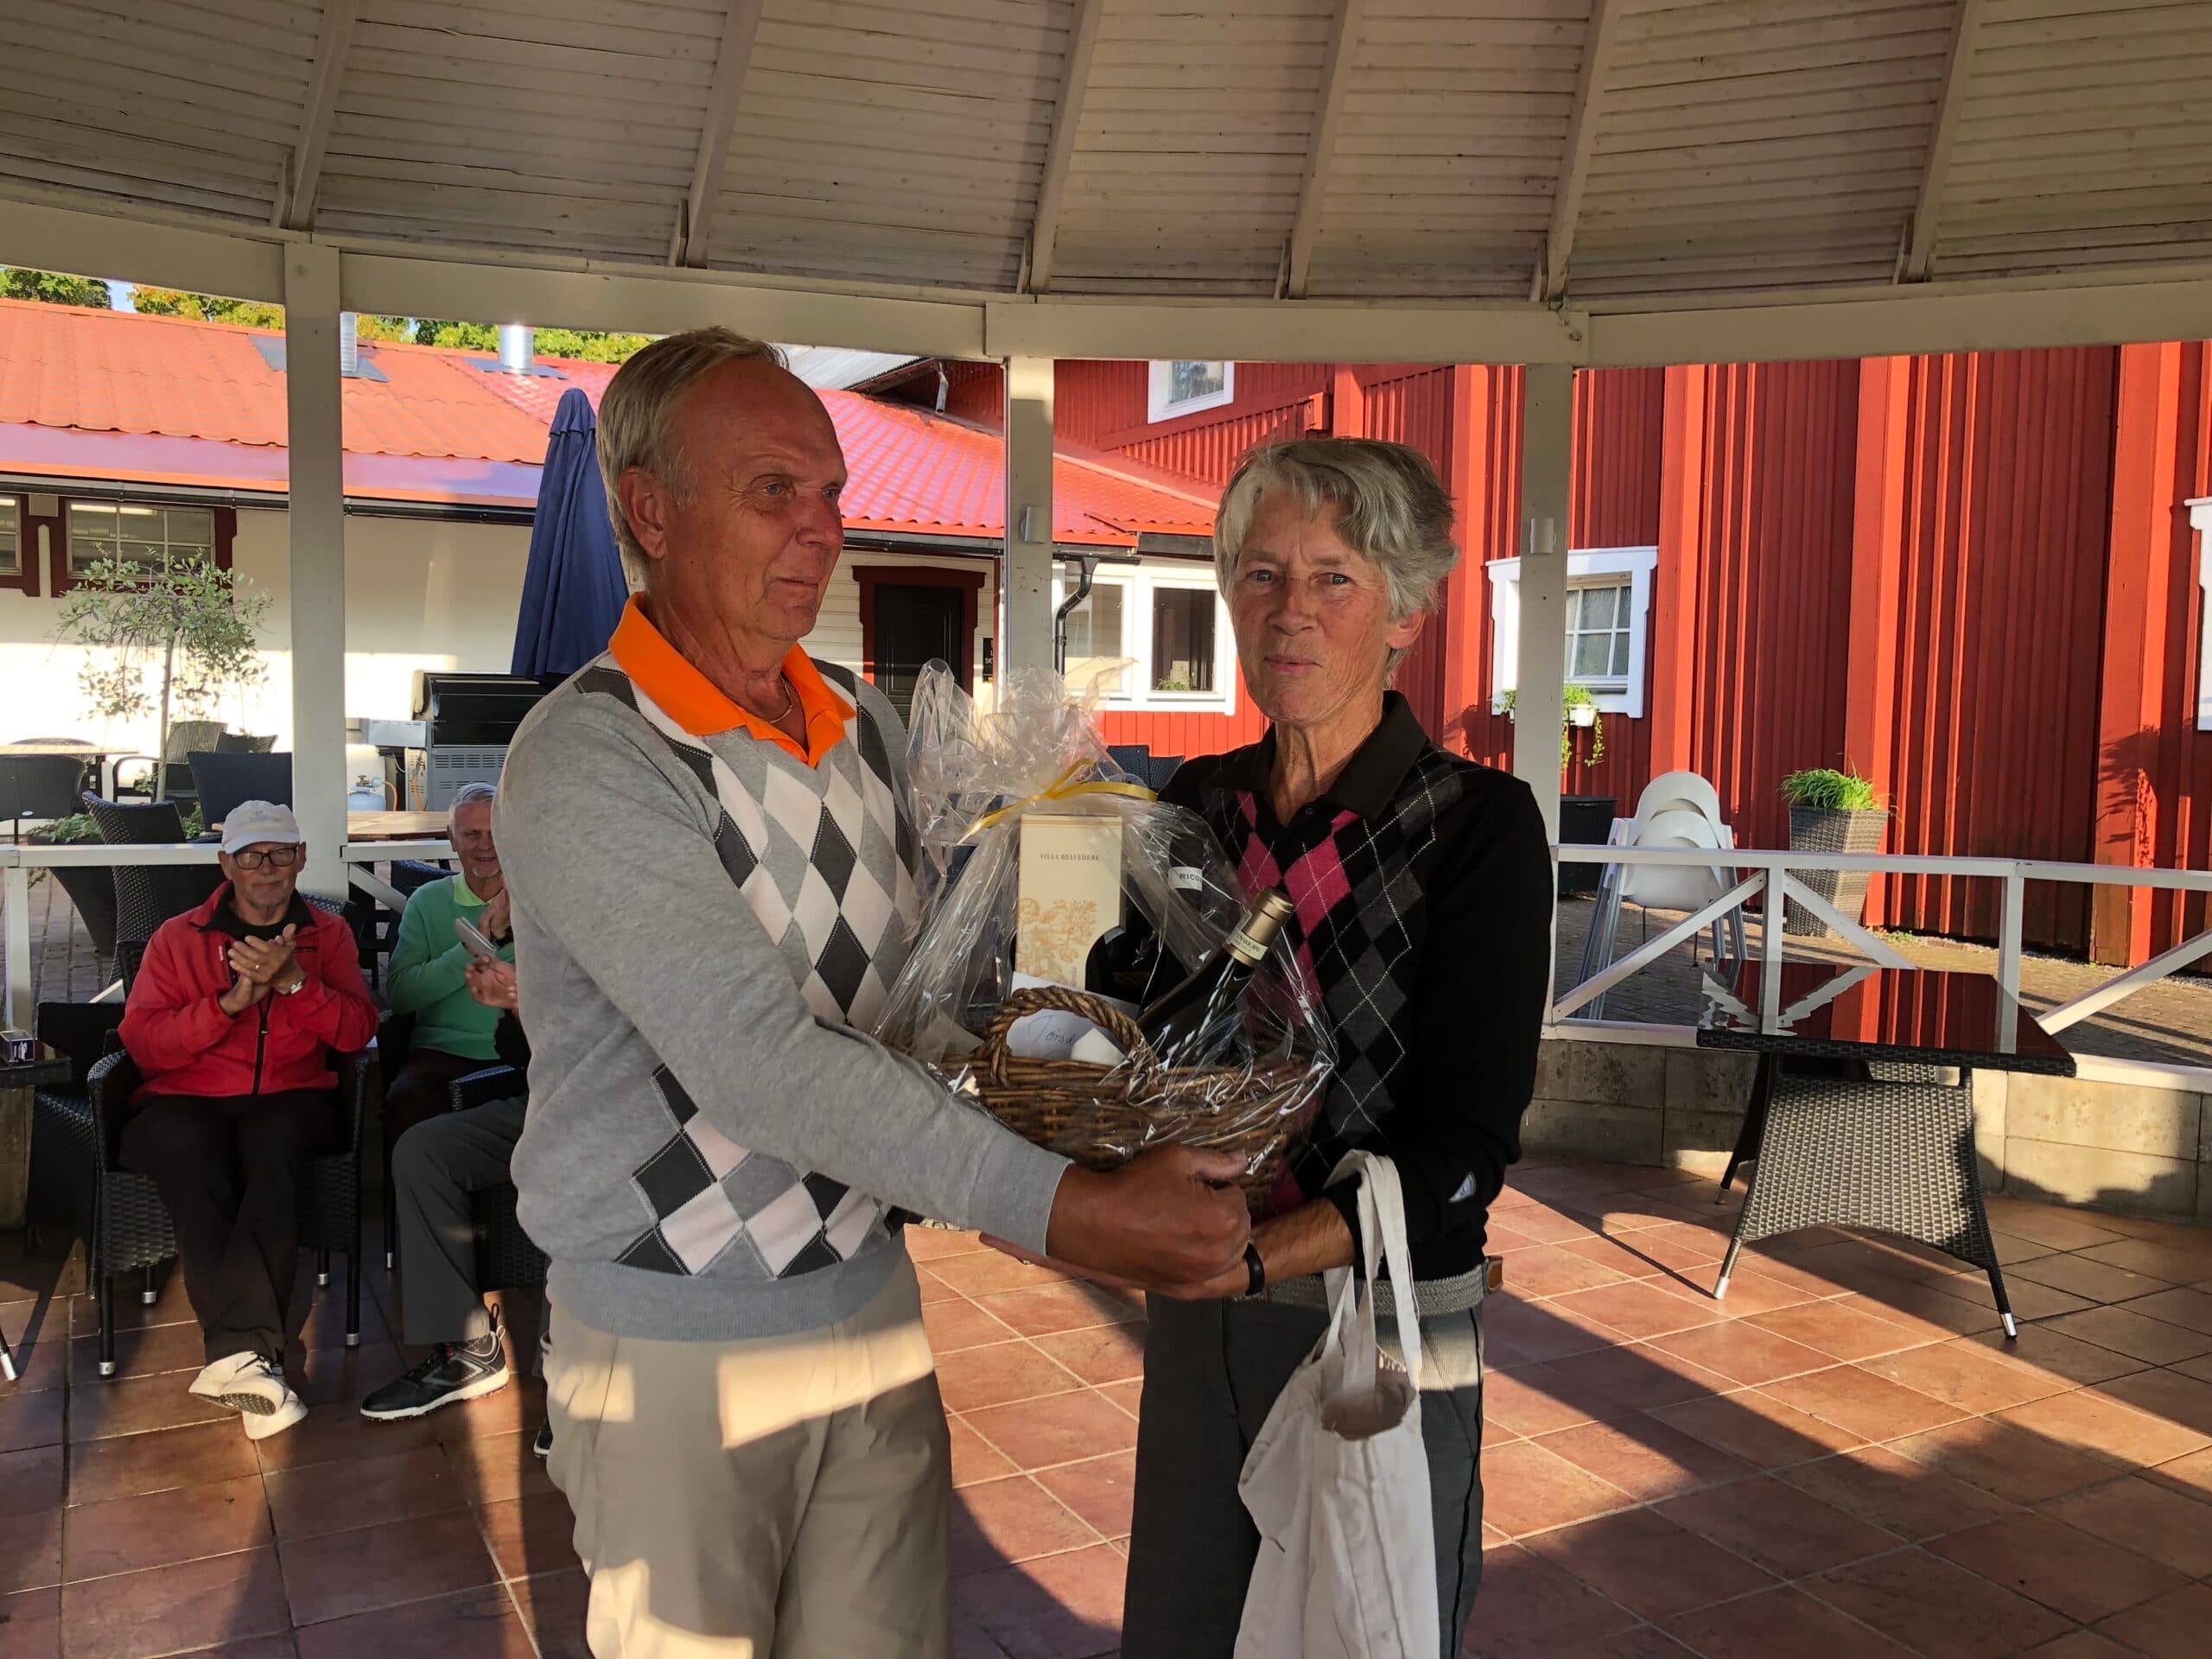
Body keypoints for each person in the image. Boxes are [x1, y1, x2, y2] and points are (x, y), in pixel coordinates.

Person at [492, 327, 1251, 1659]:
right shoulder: (590, 756)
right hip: (672, 1346)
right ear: (650, 511)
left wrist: (1067, 911)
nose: (823, 529)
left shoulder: (866, 723)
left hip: (869, 1299)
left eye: (831, 492)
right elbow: (763, 1065)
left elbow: (927, 1001)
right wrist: (1067, 1210)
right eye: (774, 490)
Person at [1118, 439, 1553, 1654]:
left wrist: (1254, 1257)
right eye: (1260, 574)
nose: (1289, 612)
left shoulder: (1475, 827)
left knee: (1365, 1633)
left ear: (1407, 611)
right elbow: (1138, 1053)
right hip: (1201, 1312)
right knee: (1186, 1631)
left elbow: (1467, 1146)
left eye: (1333, 578)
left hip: (1384, 1324)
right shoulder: (1194, 808)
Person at [116, 800, 379, 1440]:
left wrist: (295, 983)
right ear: (226, 863)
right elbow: (143, 1044)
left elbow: (357, 1032)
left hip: (291, 1097)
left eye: (280, 853)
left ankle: (238, 1357)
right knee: (188, 1149)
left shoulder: (328, 936)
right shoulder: (177, 938)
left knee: (274, 1141)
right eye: (251, 855)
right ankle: (250, 1359)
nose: (267, 867)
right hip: (185, 1098)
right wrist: (229, 1004)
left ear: (301, 858)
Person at [359, 952, 537, 1422]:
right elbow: (521, 1056)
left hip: (621, 1106)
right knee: (424, 1150)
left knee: (580, 1161)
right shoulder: (549, 935)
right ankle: (470, 1347)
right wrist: (518, 1006)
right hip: (544, 1100)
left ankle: (580, 1382)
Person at [379, 782, 512, 1154]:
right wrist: (472, 947)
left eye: (495, 833)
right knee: (406, 1109)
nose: (486, 846)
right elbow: (401, 996)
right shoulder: (428, 901)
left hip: (524, 1055)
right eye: (472, 834)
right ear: (452, 839)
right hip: (441, 1054)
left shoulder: (537, 903)